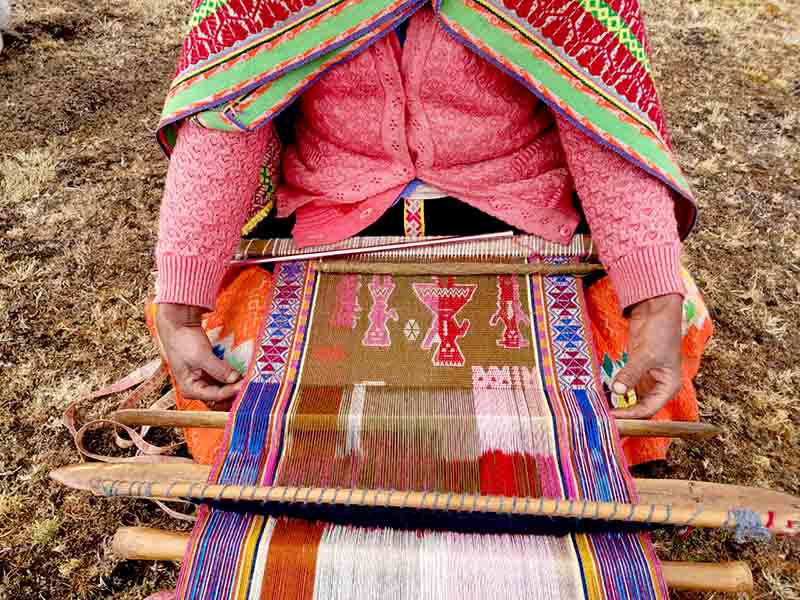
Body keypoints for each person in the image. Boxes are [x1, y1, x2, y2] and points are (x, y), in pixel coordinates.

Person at [149, 2, 711, 467]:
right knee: (231, 345)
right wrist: (180, 311)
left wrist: (654, 304)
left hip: (521, 225)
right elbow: (224, 125)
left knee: (652, 322)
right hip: (334, 226)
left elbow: (601, 121)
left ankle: (566, 476)